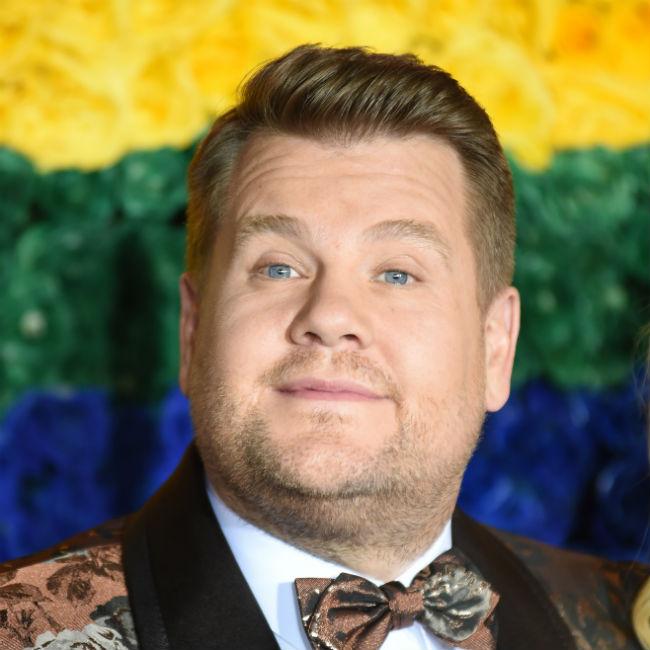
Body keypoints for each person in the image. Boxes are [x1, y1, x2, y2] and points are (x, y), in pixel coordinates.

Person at [0, 44, 647, 650]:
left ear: (496, 347)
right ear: (192, 330)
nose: (331, 316)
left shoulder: (622, 622)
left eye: (398, 273)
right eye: (278, 267)